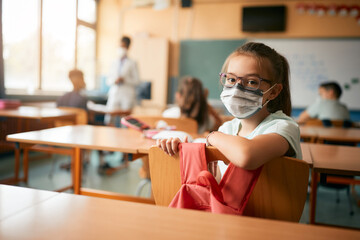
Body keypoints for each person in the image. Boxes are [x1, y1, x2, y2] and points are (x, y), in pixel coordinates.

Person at [157, 42, 302, 182]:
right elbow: (219, 179)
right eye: (231, 79)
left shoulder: (284, 128)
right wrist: (182, 149)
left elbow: (246, 156)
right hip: (227, 206)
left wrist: (211, 136)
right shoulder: (228, 129)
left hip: (268, 208)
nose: (237, 89)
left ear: (274, 91)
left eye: (252, 82)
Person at [138, 76, 222, 180]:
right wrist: (205, 102)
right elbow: (219, 124)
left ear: (178, 96)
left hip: (159, 172)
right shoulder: (208, 120)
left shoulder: (167, 114)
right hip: (192, 175)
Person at [105, 36, 140, 126]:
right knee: (109, 118)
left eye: (123, 46)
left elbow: (137, 81)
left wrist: (125, 80)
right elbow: (108, 80)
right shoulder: (114, 62)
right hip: (115, 92)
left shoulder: (132, 63)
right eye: (120, 46)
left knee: (125, 121)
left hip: (127, 94)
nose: (121, 48)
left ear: (128, 47)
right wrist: (114, 81)